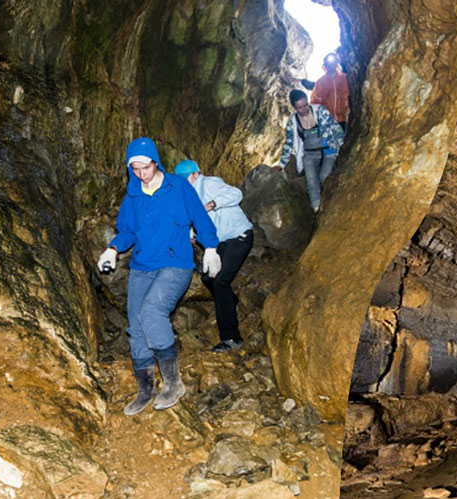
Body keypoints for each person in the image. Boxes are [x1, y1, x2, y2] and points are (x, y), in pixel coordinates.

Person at [97, 137, 222, 416]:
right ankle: (145, 390)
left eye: (146, 167)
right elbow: (127, 230)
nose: (142, 174)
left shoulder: (178, 187)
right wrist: (112, 250)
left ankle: (173, 383)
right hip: (142, 266)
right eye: (136, 169)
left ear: (156, 161)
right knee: (137, 326)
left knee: (152, 312)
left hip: (175, 263)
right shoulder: (133, 196)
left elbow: (200, 218)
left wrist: (211, 247)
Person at [174, 159, 255, 353]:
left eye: (186, 178)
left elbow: (236, 194)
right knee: (208, 277)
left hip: (239, 236)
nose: (184, 182)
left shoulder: (209, 183)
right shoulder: (189, 194)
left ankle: (232, 338)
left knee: (220, 282)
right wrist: (193, 236)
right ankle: (231, 301)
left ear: (195, 174)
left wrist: (213, 203)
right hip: (222, 241)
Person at [273, 89, 345, 212]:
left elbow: (335, 128)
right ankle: (317, 210)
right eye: (300, 107)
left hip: (328, 150)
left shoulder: (319, 111)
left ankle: (334, 205)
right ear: (294, 108)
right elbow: (289, 143)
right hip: (310, 154)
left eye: (306, 105)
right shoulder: (293, 122)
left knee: (325, 176)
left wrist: (343, 145)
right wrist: (281, 164)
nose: (305, 109)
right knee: (311, 180)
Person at [310, 53, 349, 132]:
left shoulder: (345, 78)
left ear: (336, 63)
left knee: (344, 142)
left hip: (344, 119)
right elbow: (314, 101)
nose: (331, 65)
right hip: (328, 121)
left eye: (333, 62)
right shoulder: (321, 82)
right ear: (325, 66)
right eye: (328, 63)